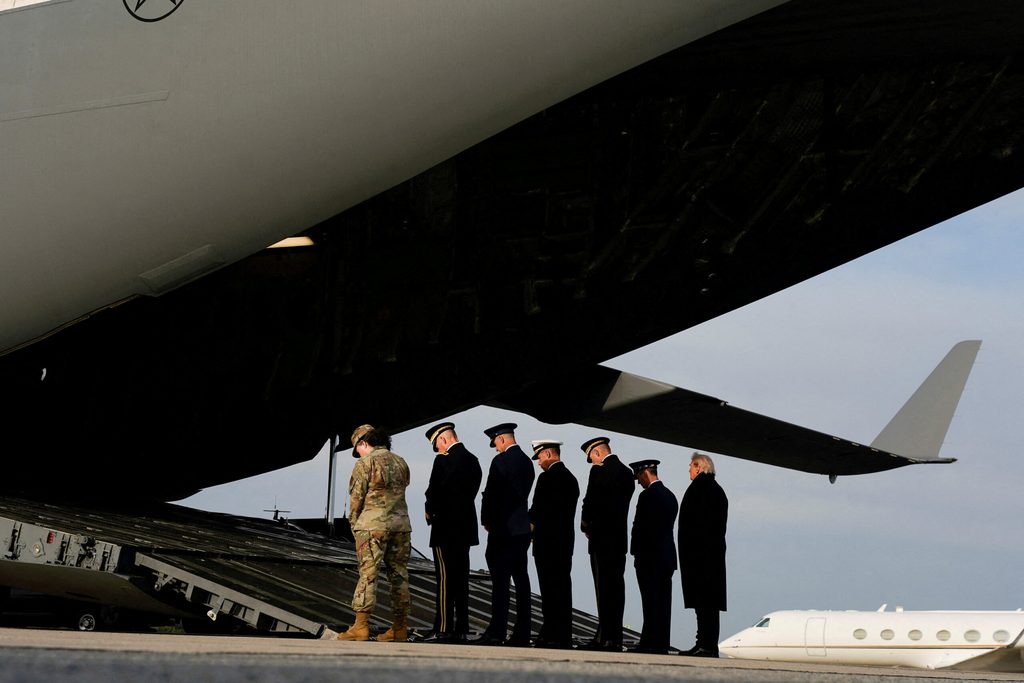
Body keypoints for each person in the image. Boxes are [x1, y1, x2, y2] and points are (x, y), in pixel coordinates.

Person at [336, 424, 412, 642]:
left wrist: (354, 526)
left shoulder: (365, 464)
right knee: (399, 575)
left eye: (357, 449)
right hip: (401, 526)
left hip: (371, 527)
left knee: (368, 575)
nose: (357, 454)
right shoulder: (401, 462)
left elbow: (356, 500)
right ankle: (400, 628)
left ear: (364, 443)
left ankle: (361, 626)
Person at [474, 422, 535, 646]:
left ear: (500, 439)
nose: (496, 448)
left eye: (496, 444)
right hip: (521, 529)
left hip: (502, 530)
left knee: (500, 584)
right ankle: (522, 633)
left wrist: (486, 520)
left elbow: (491, 494)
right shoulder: (528, 462)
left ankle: (497, 630)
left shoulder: (500, 461)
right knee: (522, 582)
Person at [422, 421, 483, 643]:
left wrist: (430, 511)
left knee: (445, 580)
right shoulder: (473, 461)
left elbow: (435, 491)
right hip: (465, 529)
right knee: (461, 580)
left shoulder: (443, 460)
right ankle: (461, 627)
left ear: (444, 439)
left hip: (445, 528)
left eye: (437, 444)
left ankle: (443, 627)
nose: (437, 449)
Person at [578, 436, 635, 651]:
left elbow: (590, 501)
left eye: (591, 457)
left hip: (601, 539)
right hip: (618, 541)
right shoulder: (627, 473)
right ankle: (614, 637)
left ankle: (604, 637)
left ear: (597, 453)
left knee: (603, 589)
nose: (591, 462)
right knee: (616, 590)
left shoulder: (599, 470)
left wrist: (586, 525)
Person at [528, 439, 579, 649]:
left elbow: (537, 511)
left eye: (540, 457)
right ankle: (563, 633)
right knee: (563, 589)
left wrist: (527, 530)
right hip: (564, 544)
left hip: (546, 543)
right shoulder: (571, 479)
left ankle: (549, 632)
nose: (539, 462)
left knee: (549, 592)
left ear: (548, 454)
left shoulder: (546, 479)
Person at [678, 452, 728, 658]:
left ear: (699, 467)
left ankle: (706, 645)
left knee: (705, 603)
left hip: (701, 556)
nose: (688, 469)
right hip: (708, 556)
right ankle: (705, 643)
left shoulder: (702, 489)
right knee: (706, 603)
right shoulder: (715, 490)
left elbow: (697, 524)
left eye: (690, 465)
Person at [628, 459, 678, 654]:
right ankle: (661, 642)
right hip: (667, 557)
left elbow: (640, 528)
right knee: (663, 603)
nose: (639, 482)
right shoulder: (671, 496)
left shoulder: (647, 496)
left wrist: (636, 552)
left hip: (649, 557)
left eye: (639, 477)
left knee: (649, 602)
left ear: (645, 473)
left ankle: (649, 642)